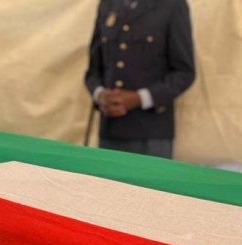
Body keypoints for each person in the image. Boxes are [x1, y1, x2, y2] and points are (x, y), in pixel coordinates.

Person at [84, 0, 196, 159]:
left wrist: (139, 98)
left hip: (150, 134)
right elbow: (93, 72)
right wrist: (100, 95)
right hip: (110, 132)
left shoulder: (173, 5)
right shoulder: (107, 5)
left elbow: (184, 73)